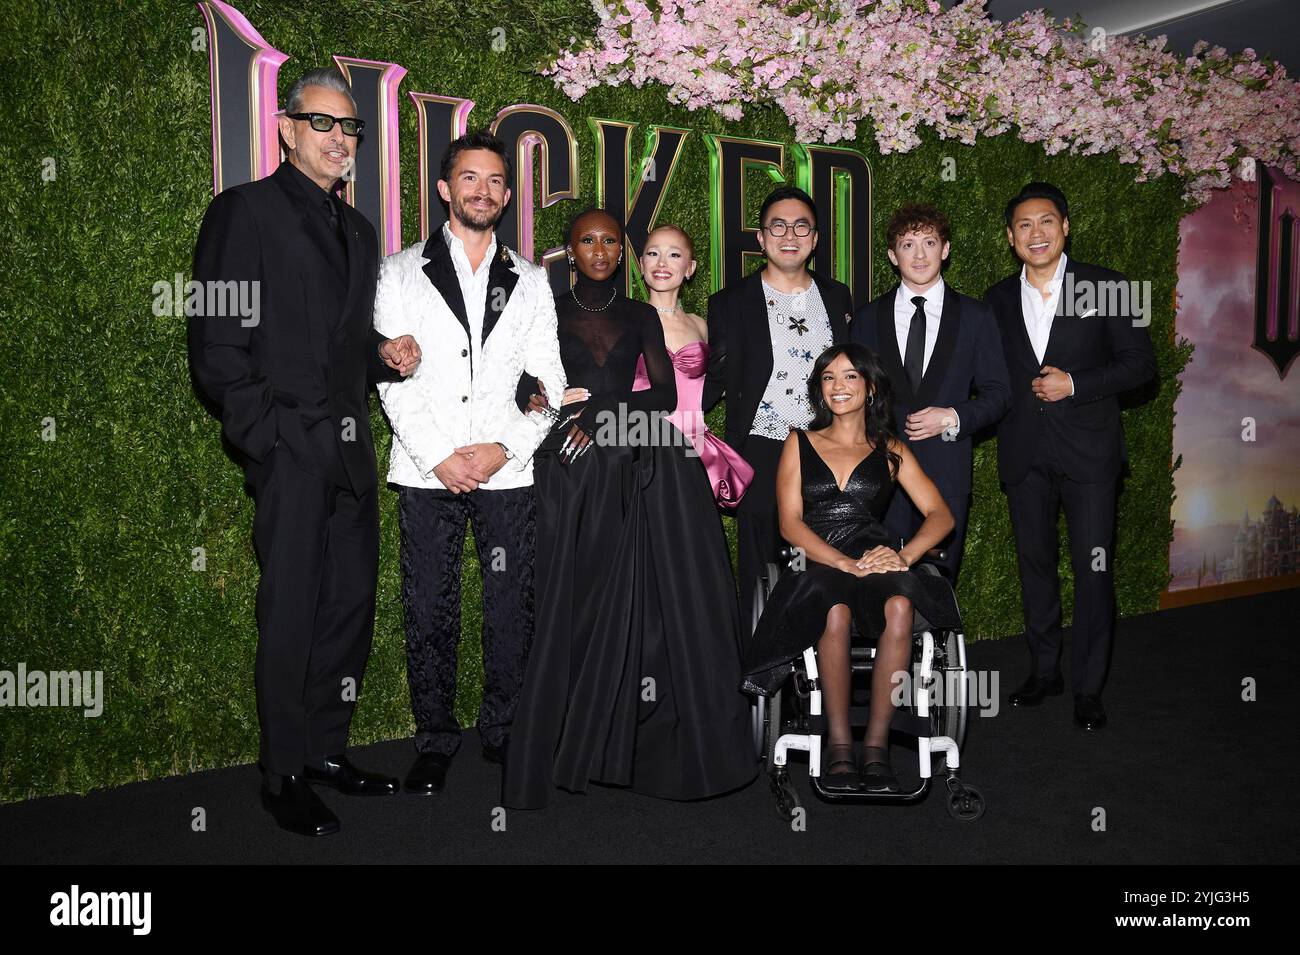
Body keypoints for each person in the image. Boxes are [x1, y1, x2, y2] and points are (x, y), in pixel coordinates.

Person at [188, 67, 421, 836]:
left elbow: (342, 342)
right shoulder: (242, 212)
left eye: (350, 127)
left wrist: (381, 352)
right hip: (290, 451)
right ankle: (281, 770)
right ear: (287, 129)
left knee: (348, 610)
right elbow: (217, 346)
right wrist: (271, 435)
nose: (340, 139)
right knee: (289, 612)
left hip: (352, 453)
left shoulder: (358, 232)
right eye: (323, 123)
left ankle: (326, 748)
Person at [503, 209, 756, 808]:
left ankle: (622, 733)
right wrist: (542, 402)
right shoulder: (545, 308)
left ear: (622, 251)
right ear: (570, 249)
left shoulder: (641, 315)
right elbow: (516, 379)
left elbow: (665, 393)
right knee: (573, 597)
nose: (599, 249)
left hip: (623, 452)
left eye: (610, 241)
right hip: (565, 462)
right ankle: (565, 737)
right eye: (587, 240)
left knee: (637, 593)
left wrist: (601, 418)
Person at [371, 130, 566, 795]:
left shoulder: (532, 280)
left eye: (494, 181)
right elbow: (390, 377)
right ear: (445, 188)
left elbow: (549, 382)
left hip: (507, 471)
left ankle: (504, 729)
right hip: (427, 471)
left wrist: (503, 446)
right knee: (429, 606)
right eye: (469, 178)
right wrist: (439, 457)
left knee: (512, 602)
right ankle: (434, 739)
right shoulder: (398, 271)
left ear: (507, 195)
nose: (481, 190)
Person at [742, 344, 960, 792]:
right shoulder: (798, 442)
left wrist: (904, 556)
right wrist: (841, 561)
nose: (838, 387)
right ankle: (839, 745)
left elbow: (941, 514)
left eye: (849, 377)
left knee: (901, 605)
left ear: (871, 387)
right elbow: (789, 523)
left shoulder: (890, 447)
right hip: (816, 559)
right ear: (819, 390)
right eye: (828, 378)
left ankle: (876, 747)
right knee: (833, 611)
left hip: (875, 557)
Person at [985, 182, 1156, 731]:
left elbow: (1140, 366)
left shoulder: (1108, 287)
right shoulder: (994, 300)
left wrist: (1076, 385)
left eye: (1047, 222)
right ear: (1011, 239)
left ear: (1065, 227)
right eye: (1025, 226)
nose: (1037, 233)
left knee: (1093, 571)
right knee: (1034, 567)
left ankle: (1088, 687)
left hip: (1089, 455)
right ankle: (1045, 671)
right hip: (1023, 455)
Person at [702, 185, 854, 622]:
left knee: (828, 564)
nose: (790, 234)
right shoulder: (730, 303)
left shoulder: (837, 296)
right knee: (763, 571)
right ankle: (762, 679)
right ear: (761, 238)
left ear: (815, 238)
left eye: (801, 225)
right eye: (778, 226)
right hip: (762, 448)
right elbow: (716, 379)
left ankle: (824, 678)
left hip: (828, 449)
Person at [851, 203, 1010, 583]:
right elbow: (851, 396)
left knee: (937, 587)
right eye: (908, 244)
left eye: (929, 242)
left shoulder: (976, 317)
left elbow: (1000, 394)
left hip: (946, 474)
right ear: (892, 256)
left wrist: (953, 417)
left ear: (946, 249)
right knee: (881, 584)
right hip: (880, 476)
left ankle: (935, 644)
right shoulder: (867, 319)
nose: (919, 254)